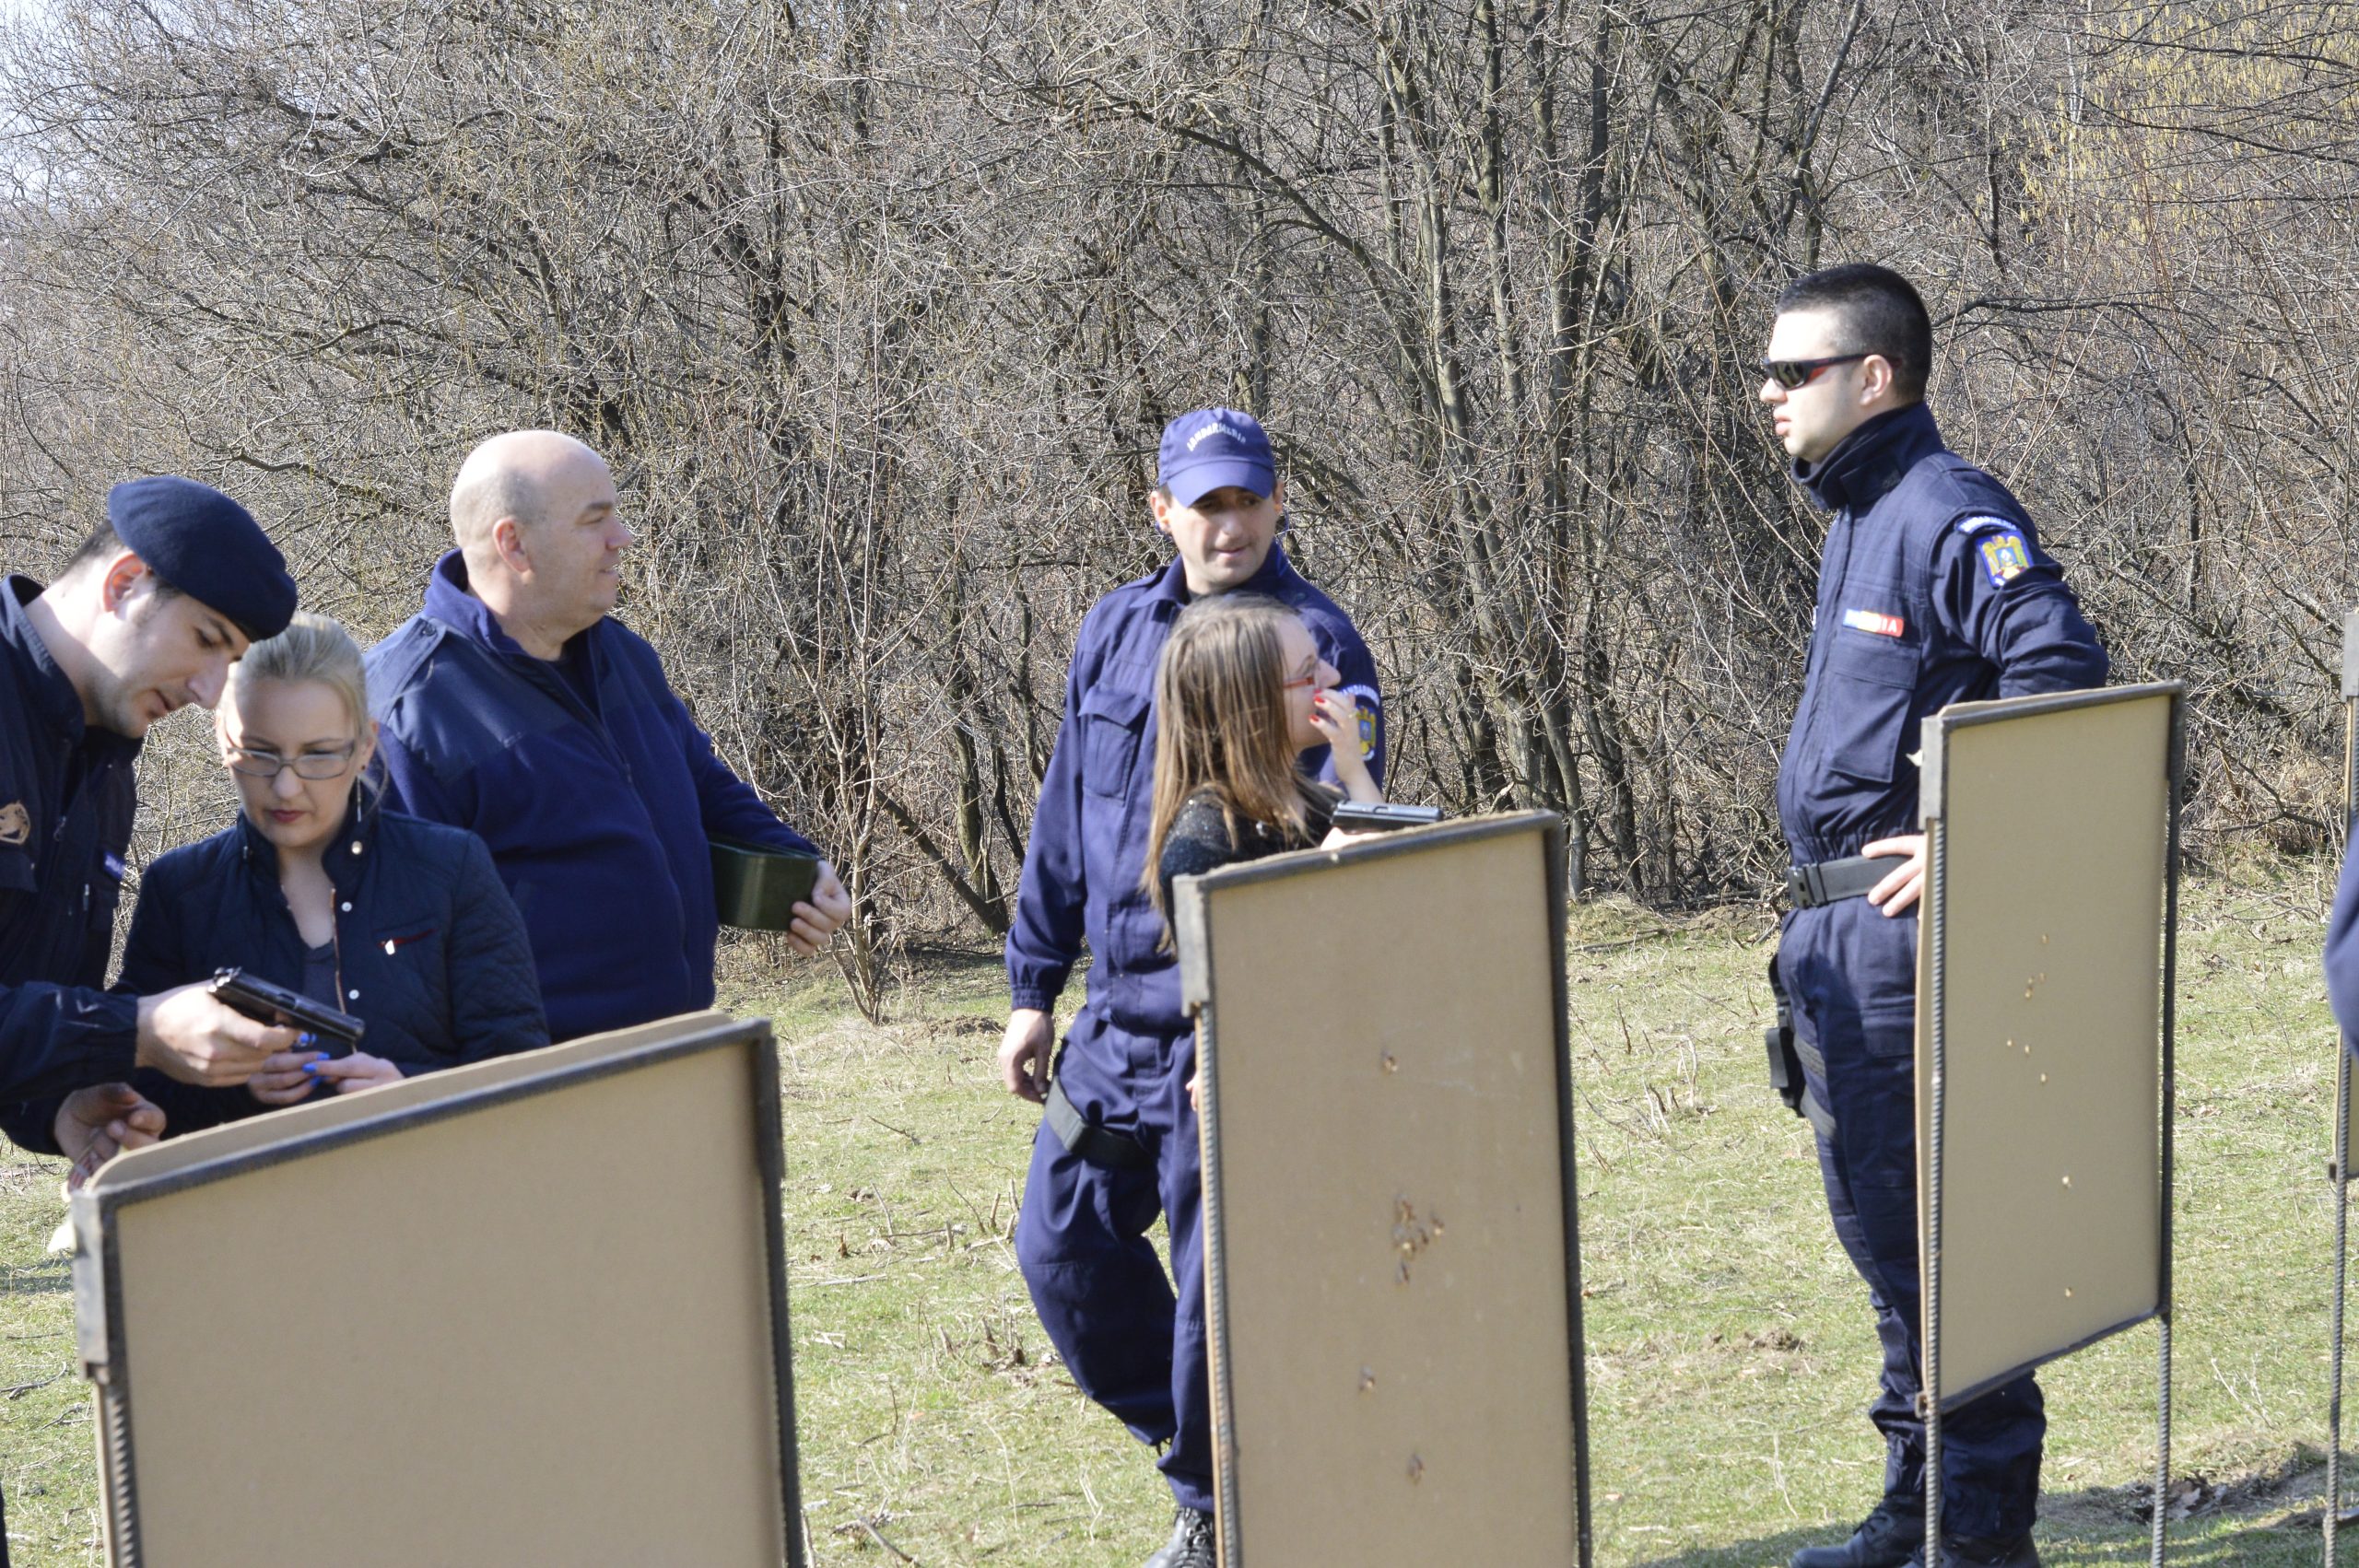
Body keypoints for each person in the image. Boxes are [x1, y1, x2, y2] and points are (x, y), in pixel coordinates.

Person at [1762, 265, 2107, 1568]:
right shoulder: (1859, 513)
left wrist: (1973, 837)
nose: (1770, 393)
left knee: (1941, 1249)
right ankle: (1916, 1507)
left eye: (1794, 370)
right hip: (1835, 942)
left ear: (1874, 376)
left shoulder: (1949, 507)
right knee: (1888, 1246)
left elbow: (2060, 673)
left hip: (1909, 949)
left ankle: (1979, 1532)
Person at [999, 408, 1384, 1568]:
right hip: (1115, 1018)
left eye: (1247, 499)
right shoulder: (1114, 626)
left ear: (1277, 503)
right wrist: (1032, 984)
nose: (1230, 524)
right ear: (1160, 509)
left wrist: (1260, 1034)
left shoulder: (1310, 643)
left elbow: (1338, 849)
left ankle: (1222, 1512)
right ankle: (1213, 1454)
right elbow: (1066, 808)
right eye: (1206, 503)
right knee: (1060, 1250)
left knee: (1219, 1299)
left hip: (1227, 1028)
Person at [0, 474, 303, 1565]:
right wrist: (135, 1029)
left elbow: (27, 1004)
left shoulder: (104, 770)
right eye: (208, 640)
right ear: (126, 580)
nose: (214, 685)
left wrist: (69, 1108)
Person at [365, 431, 852, 1043]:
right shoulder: (404, 713)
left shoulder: (623, 654)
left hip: (677, 1050)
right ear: (513, 544)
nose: (622, 537)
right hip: (536, 1080)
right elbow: (394, 954)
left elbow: (698, 782)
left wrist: (798, 867)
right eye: (595, 521)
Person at [96, 612, 547, 1137]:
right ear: (222, 740)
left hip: (433, 1180)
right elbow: (143, 1092)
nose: (286, 787)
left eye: (318, 755)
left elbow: (519, 1070)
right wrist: (237, 1089)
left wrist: (412, 1094)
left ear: (365, 747)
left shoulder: (451, 868)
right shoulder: (180, 890)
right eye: (260, 753)